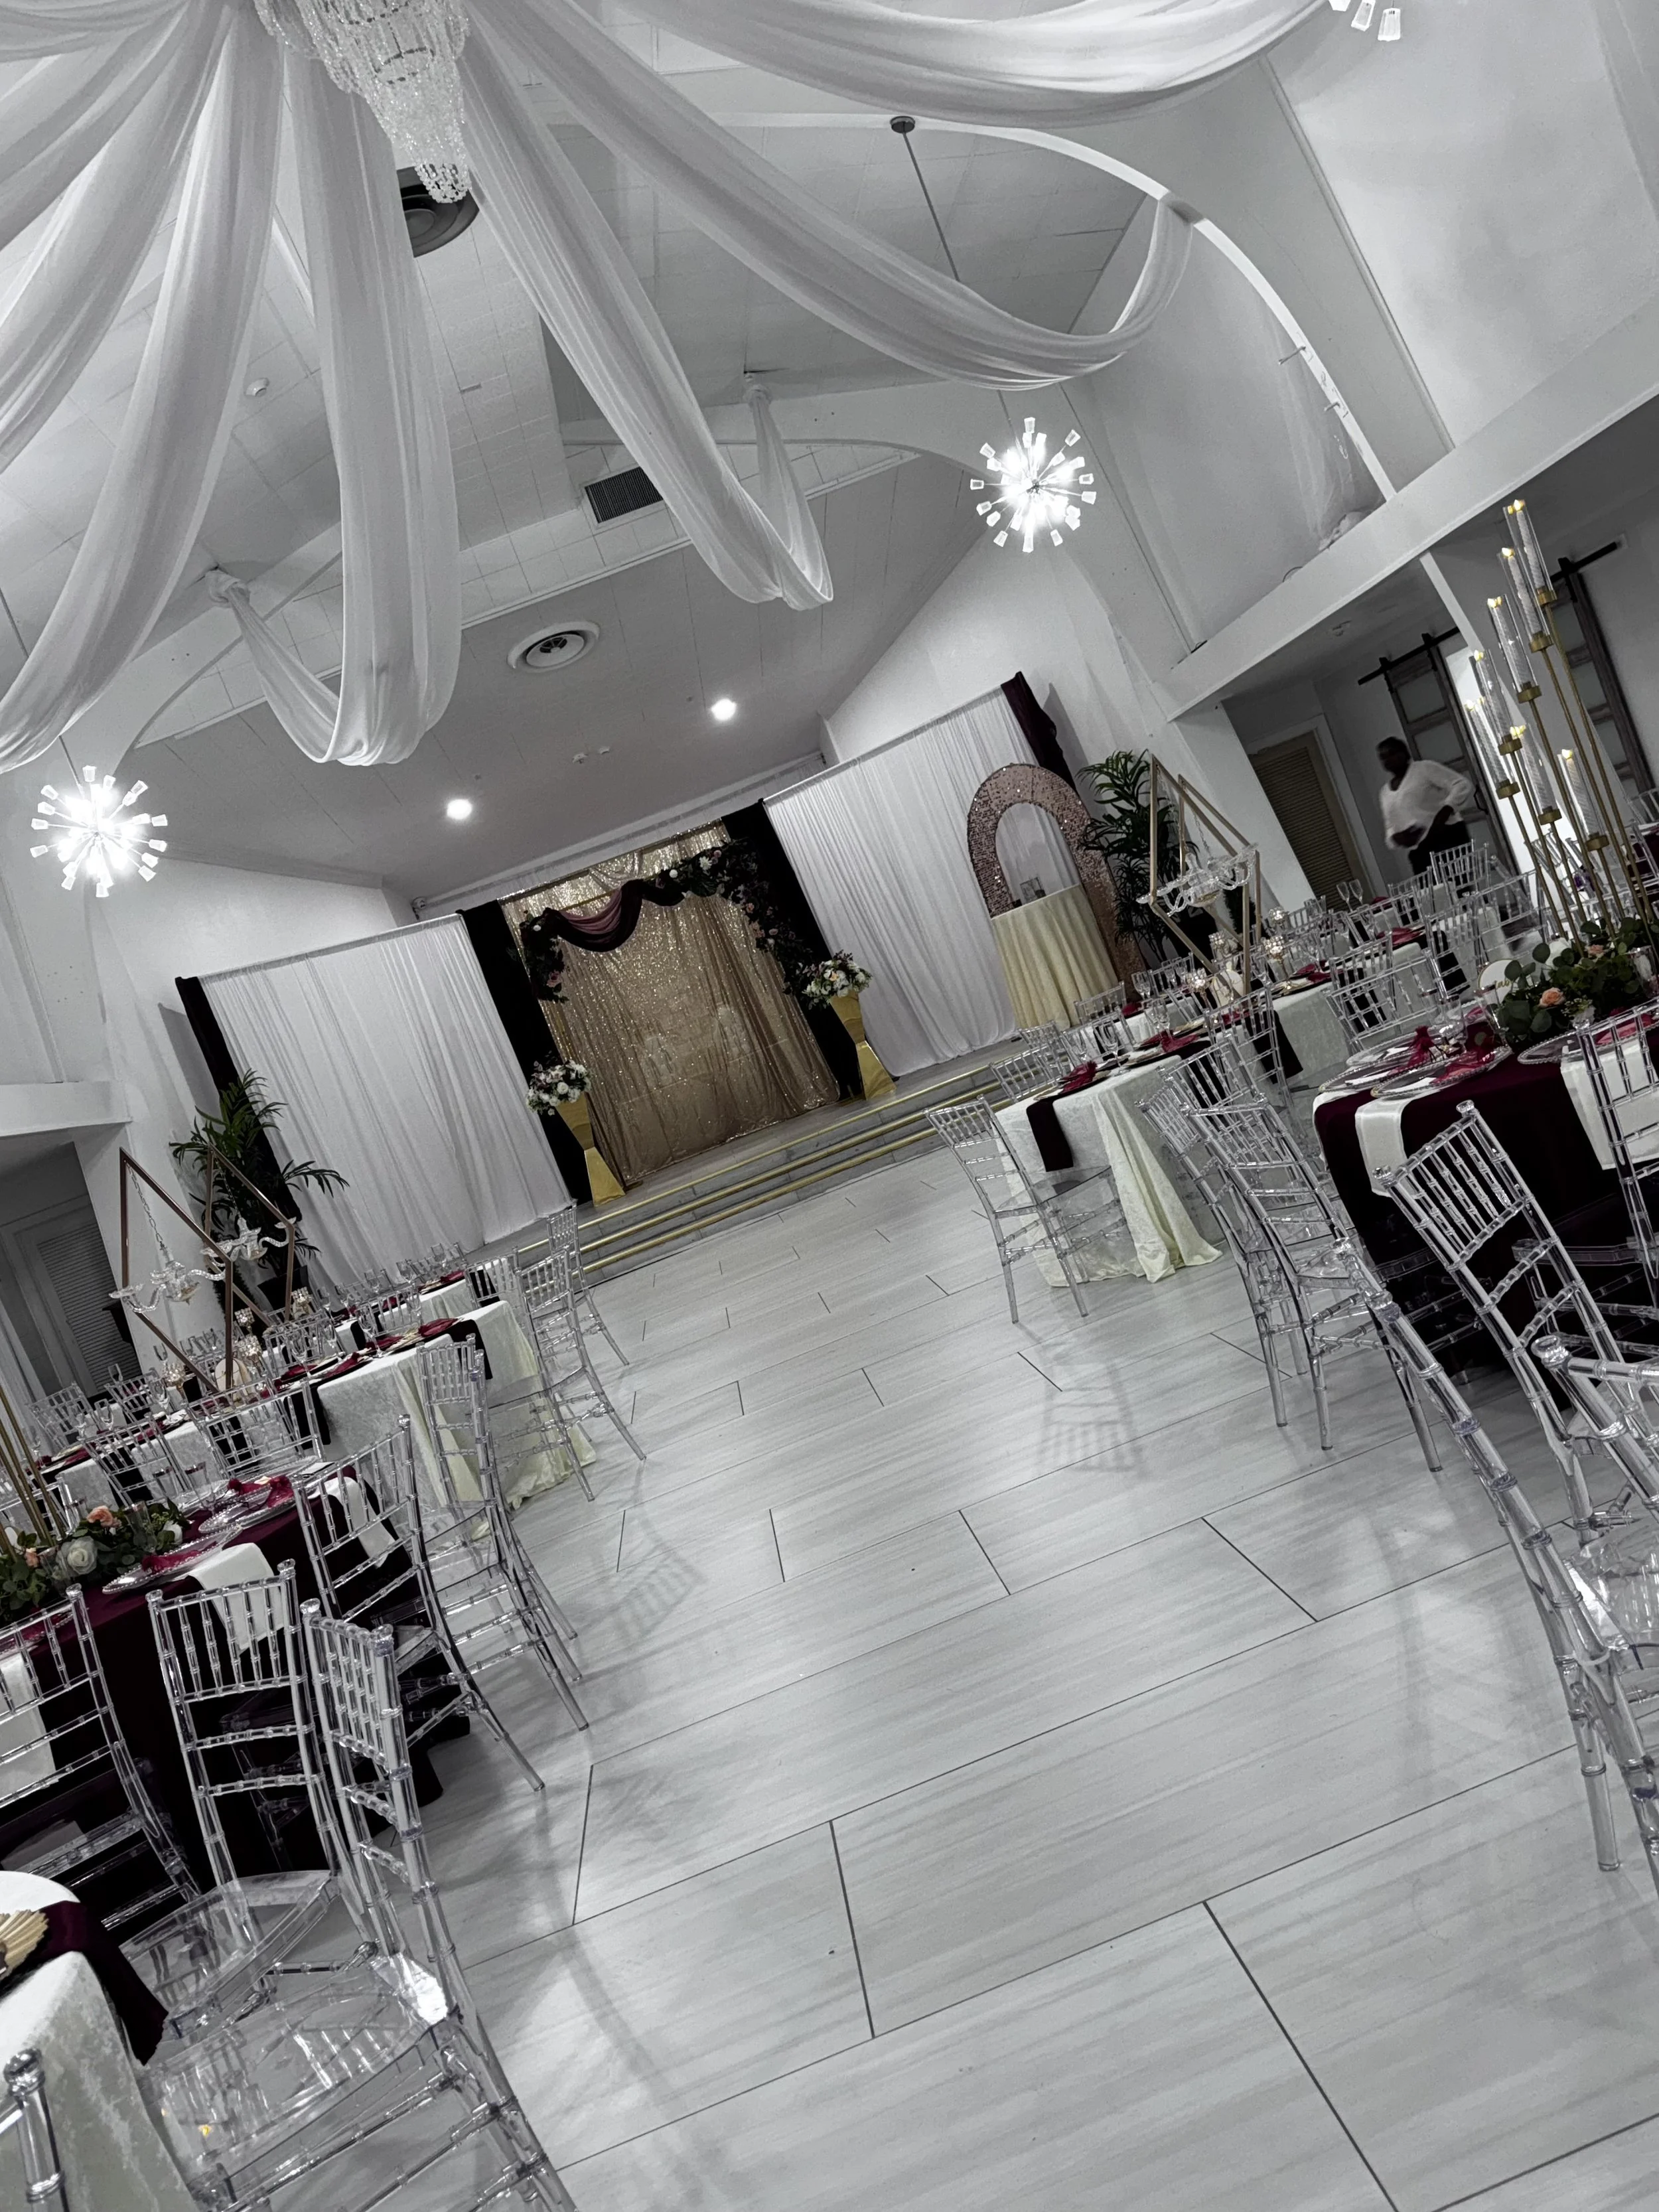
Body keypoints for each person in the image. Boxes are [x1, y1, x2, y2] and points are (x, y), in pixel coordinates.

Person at [1376, 738, 1475, 875]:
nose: (1388, 760)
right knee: (1433, 894)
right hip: (1420, 850)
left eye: (1392, 753)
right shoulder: (1385, 793)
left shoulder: (1424, 769)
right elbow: (1389, 827)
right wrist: (1396, 838)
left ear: (1405, 753)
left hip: (1447, 837)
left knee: (1460, 889)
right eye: (1383, 757)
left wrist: (1446, 810)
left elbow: (1461, 784)